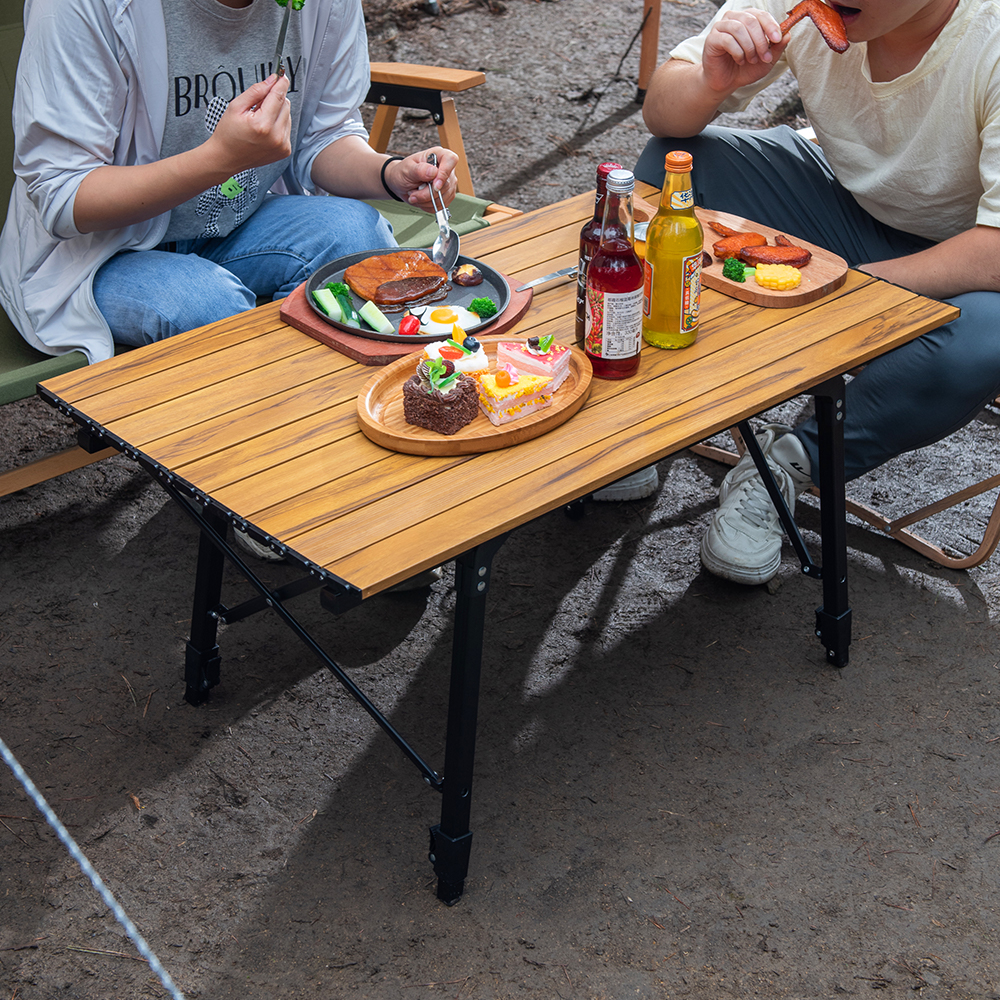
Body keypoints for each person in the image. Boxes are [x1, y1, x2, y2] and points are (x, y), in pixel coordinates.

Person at [635, 0, 1000, 584]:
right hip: (842, 203)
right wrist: (709, 80)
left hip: (968, 258)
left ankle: (790, 465)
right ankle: (646, 413)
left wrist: (840, 285)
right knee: (672, 169)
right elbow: (662, 113)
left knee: (989, 339)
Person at [0, 0, 459, 365]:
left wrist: (390, 172)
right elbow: (64, 195)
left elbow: (324, 135)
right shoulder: (84, 6)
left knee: (358, 238)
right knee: (209, 305)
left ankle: (319, 411)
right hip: (99, 252)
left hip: (237, 224)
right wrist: (218, 160)